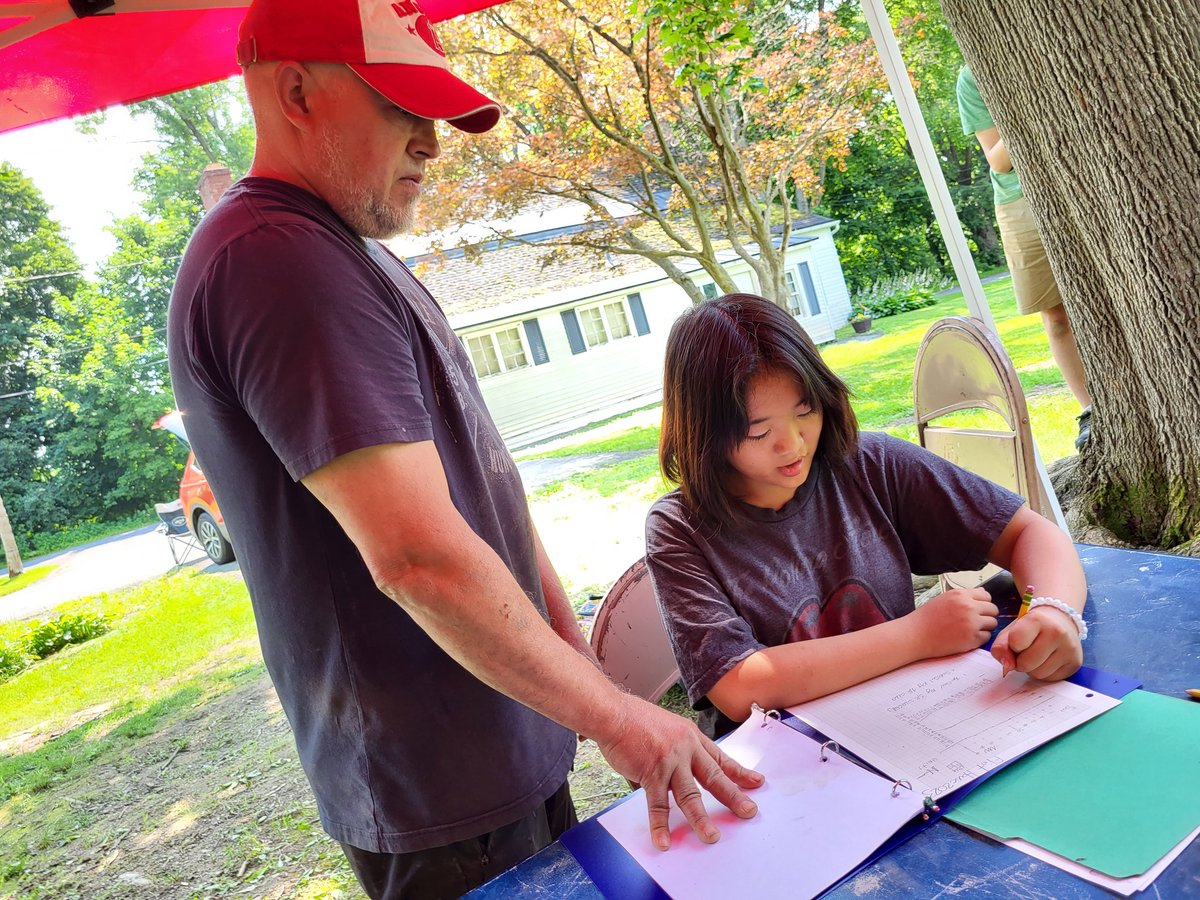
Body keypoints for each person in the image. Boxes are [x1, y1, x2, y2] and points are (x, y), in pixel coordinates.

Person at [166, 1, 761, 896]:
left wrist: (590, 688)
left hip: (500, 740)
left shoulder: (348, 251)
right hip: (440, 780)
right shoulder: (277, 258)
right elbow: (416, 556)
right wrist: (622, 719)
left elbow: (490, 498)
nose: (433, 143)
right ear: (295, 90)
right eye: (403, 108)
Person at [644, 295, 1087, 740]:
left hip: (911, 726)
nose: (793, 445)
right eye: (758, 431)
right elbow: (739, 685)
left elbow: (1029, 532)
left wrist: (1056, 613)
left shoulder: (867, 464)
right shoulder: (680, 527)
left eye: (805, 412)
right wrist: (917, 636)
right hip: (784, 764)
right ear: (702, 434)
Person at [956, 65, 1092, 449]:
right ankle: (1090, 409)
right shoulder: (971, 77)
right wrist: (1033, 106)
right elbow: (999, 160)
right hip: (1019, 202)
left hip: (1084, 180)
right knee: (1056, 313)